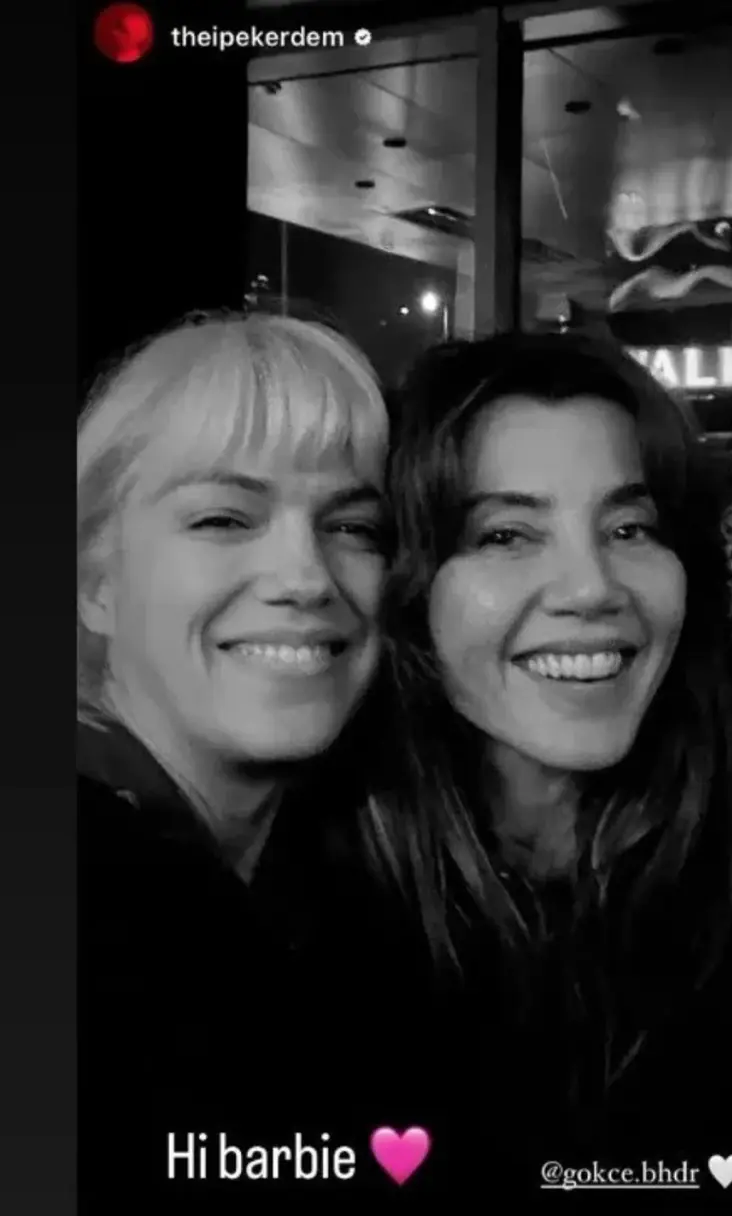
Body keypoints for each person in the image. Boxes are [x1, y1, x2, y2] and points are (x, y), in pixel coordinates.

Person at [380, 332, 732, 1204]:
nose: (592, 588)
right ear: (409, 586)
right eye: (506, 534)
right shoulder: (309, 892)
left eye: (628, 528)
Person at [77, 313, 422, 1209]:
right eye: (225, 518)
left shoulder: (365, 882)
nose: (306, 577)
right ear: (94, 584)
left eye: (354, 527)